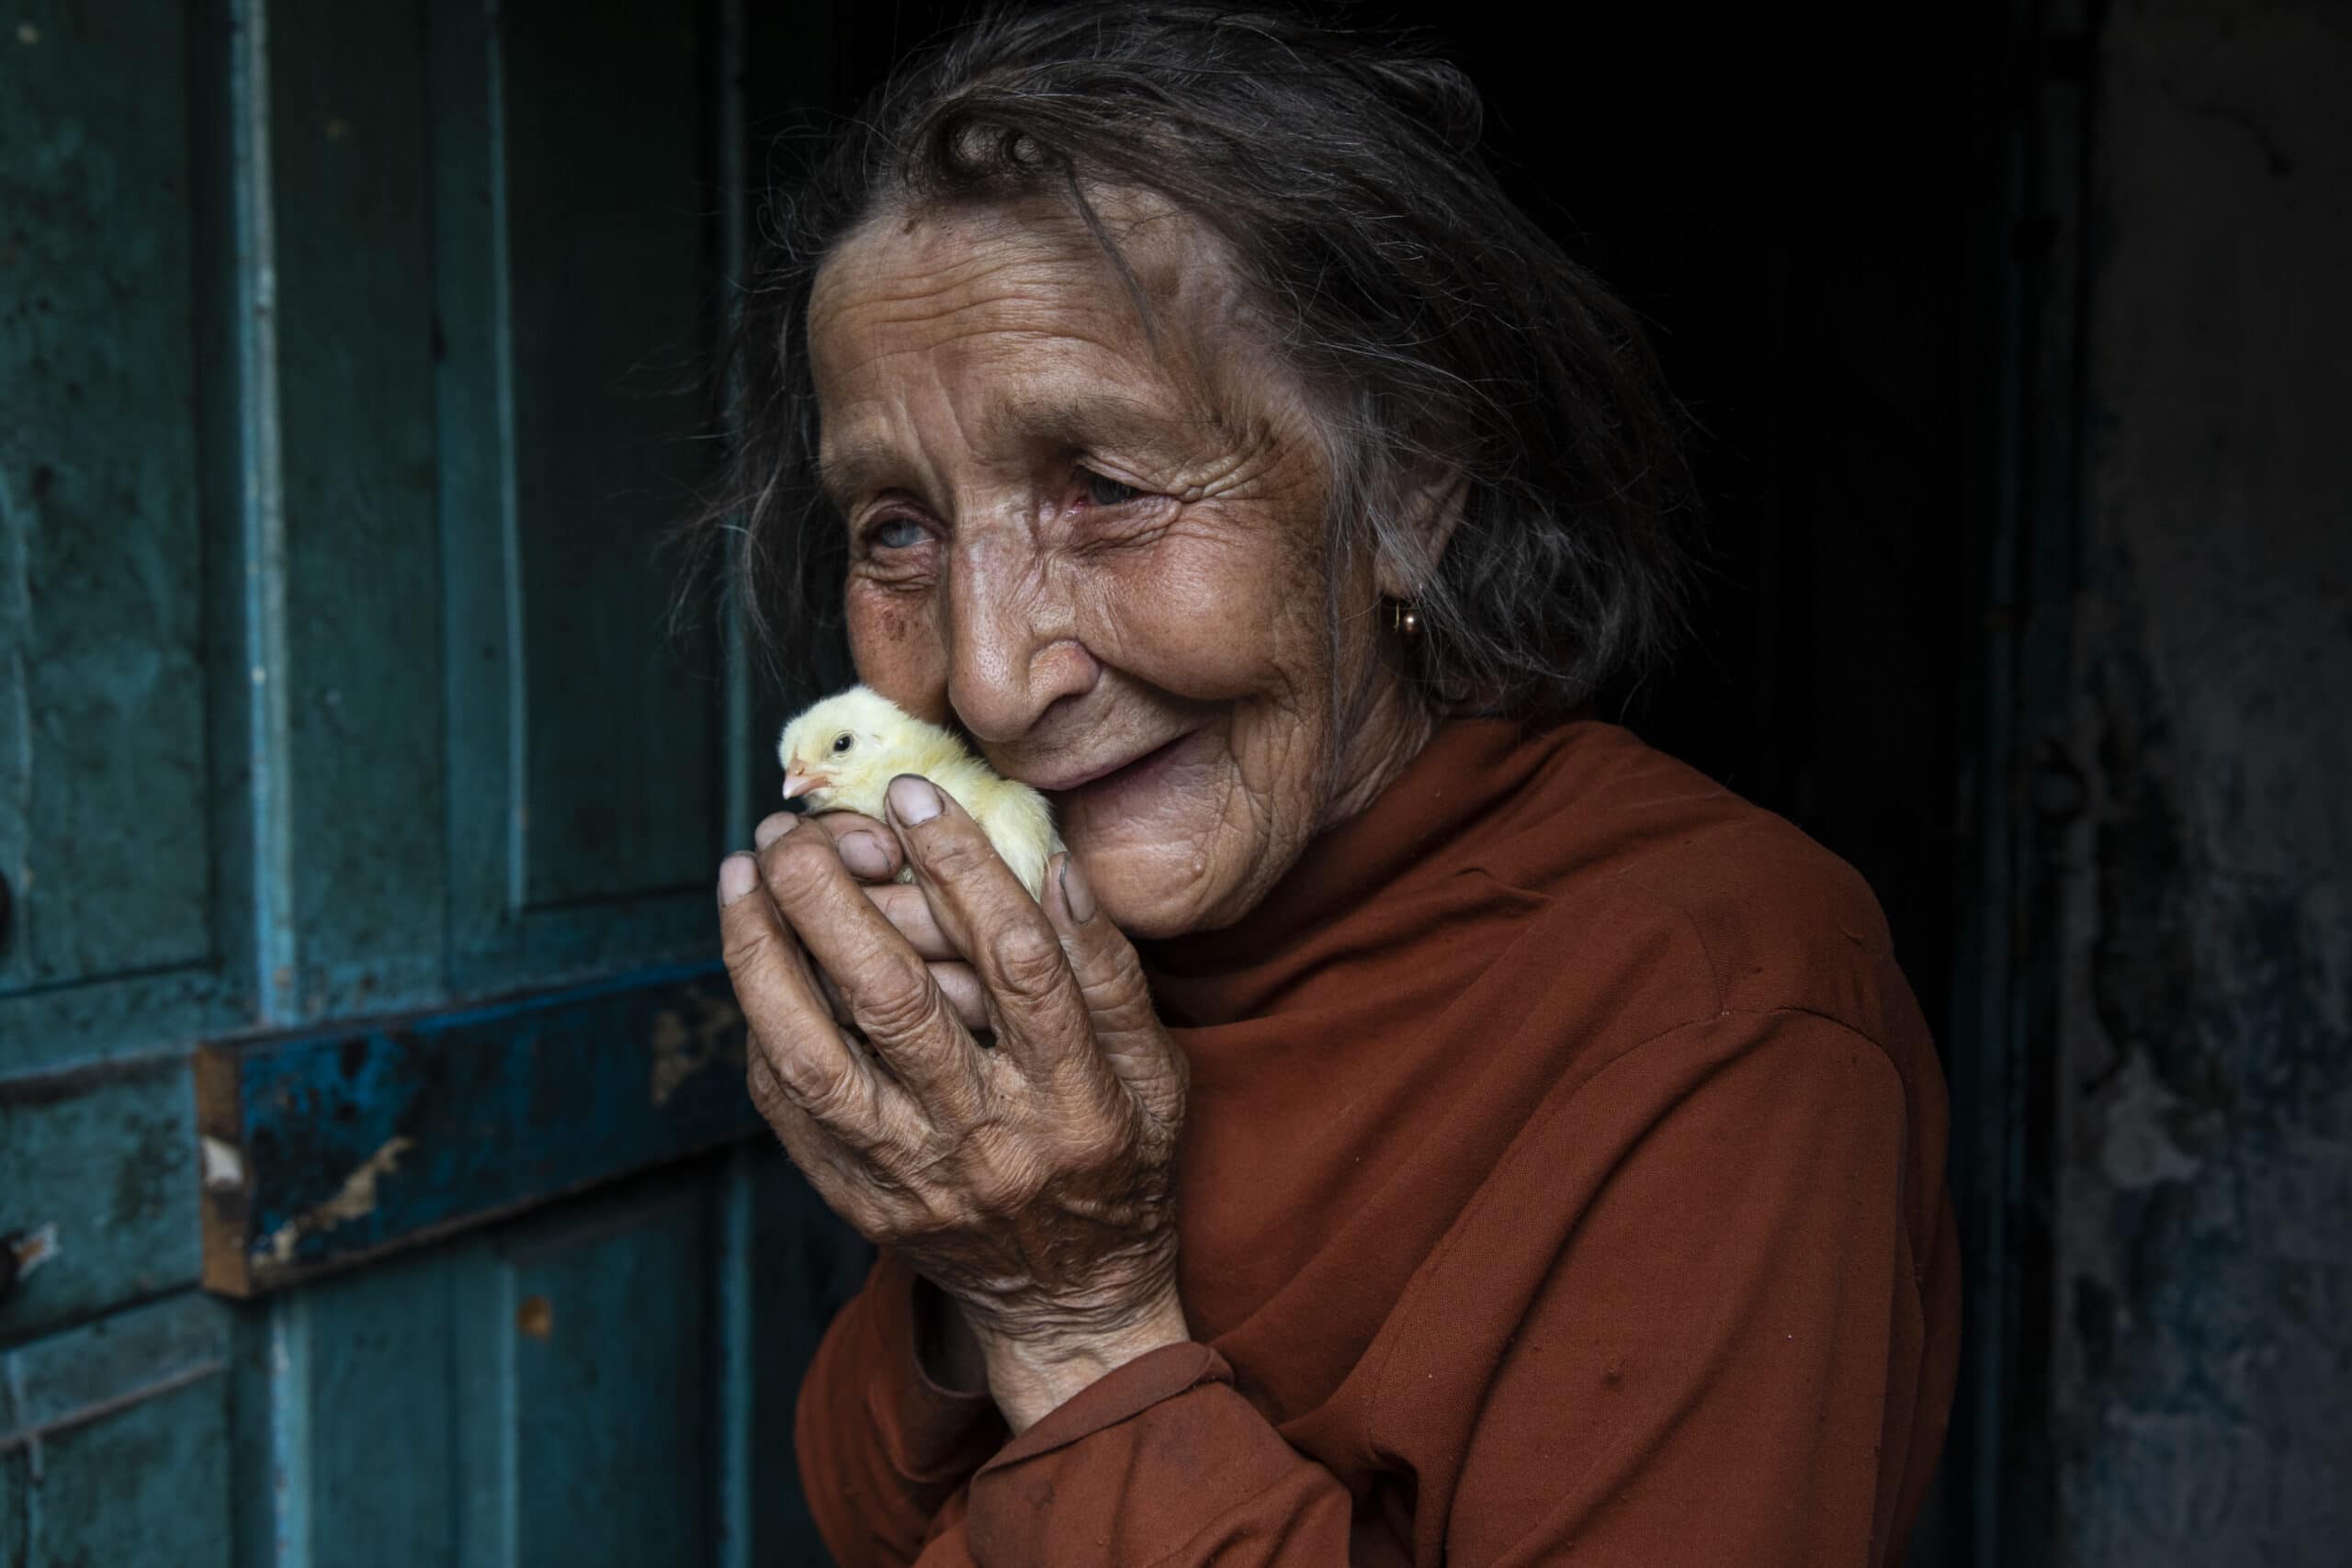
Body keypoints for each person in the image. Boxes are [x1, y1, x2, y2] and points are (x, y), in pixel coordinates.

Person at [695, 5, 1960, 1562]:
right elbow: (875, 1514)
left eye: (1104, 489)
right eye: (898, 527)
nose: (990, 677)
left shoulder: (1718, 1002)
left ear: (1411, 480)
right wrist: (982, 1233)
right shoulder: (1082, 938)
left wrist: (1076, 1324)